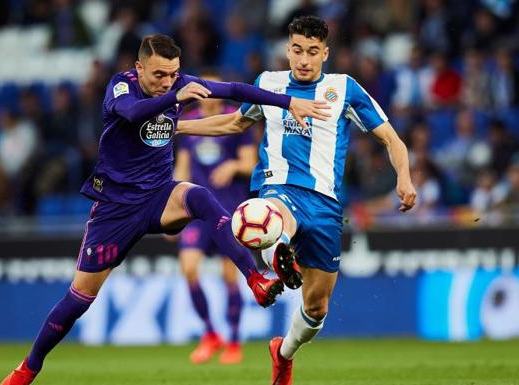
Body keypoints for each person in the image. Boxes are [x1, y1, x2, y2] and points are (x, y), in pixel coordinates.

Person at [0, 33, 330, 385]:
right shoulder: (121, 88)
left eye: (173, 74)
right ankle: (28, 368)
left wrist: (287, 101)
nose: (167, 81)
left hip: (159, 195)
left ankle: (256, 279)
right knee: (80, 298)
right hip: (116, 208)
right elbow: (132, 113)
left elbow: (234, 90)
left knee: (201, 198)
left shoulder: (178, 85)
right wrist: (176, 95)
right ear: (139, 67)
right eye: (159, 74)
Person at [177, 16, 417, 385]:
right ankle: (279, 252)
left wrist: (404, 177)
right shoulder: (269, 85)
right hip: (279, 189)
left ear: (325, 53)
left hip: (325, 205)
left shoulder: (344, 89)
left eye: (312, 52)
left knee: (316, 308)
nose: (303, 60)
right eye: (297, 50)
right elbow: (234, 123)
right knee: (267, 216)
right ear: (288, 49)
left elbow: (392, 139)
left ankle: (283, 352)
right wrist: (176, 126)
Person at [174, 71, 256, 365]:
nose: (205, 95)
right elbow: (182, 168)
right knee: (189, 269)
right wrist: (171, 208)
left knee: (229, 276)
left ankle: (234, 340)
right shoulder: (189, 122)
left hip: (228, 209)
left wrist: (233, 166)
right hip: (195, 211)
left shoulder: (236, 119)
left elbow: (250, 163)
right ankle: (210, 334)